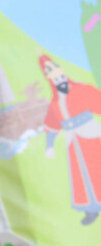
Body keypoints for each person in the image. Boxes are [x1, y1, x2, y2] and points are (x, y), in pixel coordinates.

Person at [38, 55, 101, 226]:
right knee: (81, 176)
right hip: (73, 141)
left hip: (90, 135)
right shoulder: (55, 102)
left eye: (61, 76)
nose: (60, 80)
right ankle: (91, 209)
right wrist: (49, 146)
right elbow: (52, 125)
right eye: (56, 78)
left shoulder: (82, 89)